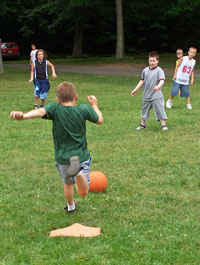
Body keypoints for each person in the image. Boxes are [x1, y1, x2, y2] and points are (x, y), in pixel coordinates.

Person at [10, 81, 103, 213]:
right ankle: (79, 172)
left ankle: (71, 206)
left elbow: (41, 111)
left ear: (58, 99)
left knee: (68, 183)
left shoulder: (55, 108)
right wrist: (94, 105)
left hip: (63, 158)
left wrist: (24, 116)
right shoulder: (83, 109)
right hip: (80, 157)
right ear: (76, 97)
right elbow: (99, 119)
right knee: (83, 192)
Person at [131, 51, 168, 131]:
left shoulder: (159, 70)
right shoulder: (145, 70)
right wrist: (135, 89)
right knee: (144, 110)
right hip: (146, 95)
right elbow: (142, 81)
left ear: (157, 61)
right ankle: (143, 124)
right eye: (150, 61)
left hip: (156, 95)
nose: (152, 62)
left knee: (160, 109)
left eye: (154, 61)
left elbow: (162, 80)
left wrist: (158, 86)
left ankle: (163, 125)